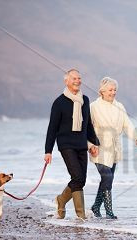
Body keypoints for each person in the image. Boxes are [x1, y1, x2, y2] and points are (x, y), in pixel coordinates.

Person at [44, 69, 100, 219]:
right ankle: (81, 216)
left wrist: (94, 144)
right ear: (66, 81)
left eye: (79, 78)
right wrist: (48, 151)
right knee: (77, 176)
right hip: (66, 145)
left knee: (81, 179)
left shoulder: (85, 100)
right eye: (74, 78)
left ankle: (61, 200)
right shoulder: (59, 102)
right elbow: (52, 128)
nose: (77, 81)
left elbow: (88, 124)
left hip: (81, 144)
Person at [88, 76, 137, 219]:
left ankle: (95, 207)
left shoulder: (120, 106)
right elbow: (87, 127)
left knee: (107, 179)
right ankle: (109, 212)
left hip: (115, 148)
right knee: (107, 176)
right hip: (98, 146)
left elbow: (127, 124)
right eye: (110, 90)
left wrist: (136, 137)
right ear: (102, 91)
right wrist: (90, 145)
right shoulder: (94, 106)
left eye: (115, 89)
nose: (113, 92)